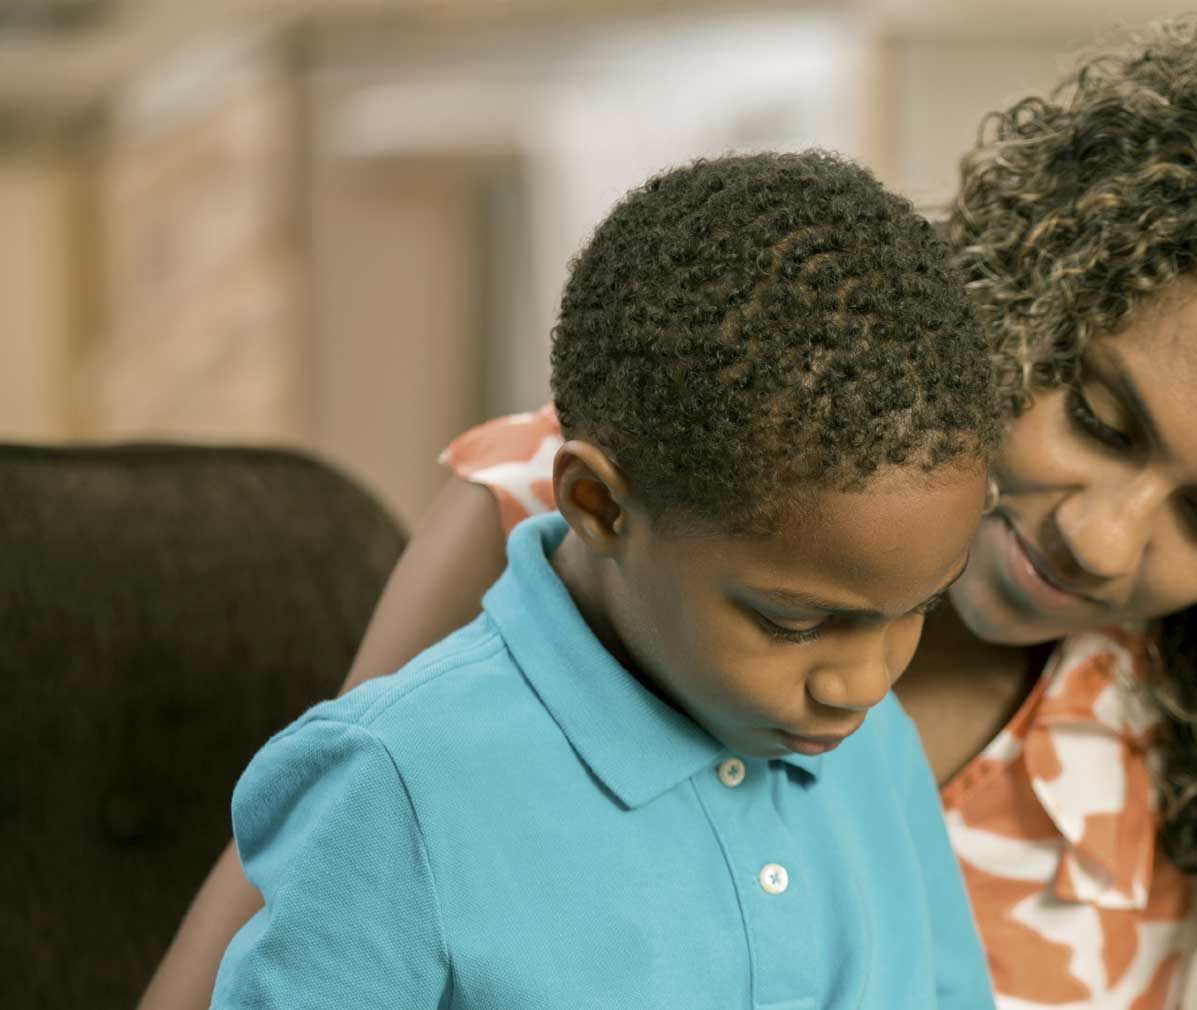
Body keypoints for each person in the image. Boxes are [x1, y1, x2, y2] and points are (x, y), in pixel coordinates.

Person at [147, 16, 1197, 1010]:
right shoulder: (589, 512)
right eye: (1096, 416)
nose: (1103, 534)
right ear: (1032, 280)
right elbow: (290, 913)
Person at [208, 152, 1000, 1009]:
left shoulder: (873, 743)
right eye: (795, 623)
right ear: (599, 505)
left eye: (916, 610)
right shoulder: (398, 786)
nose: (867, 681)